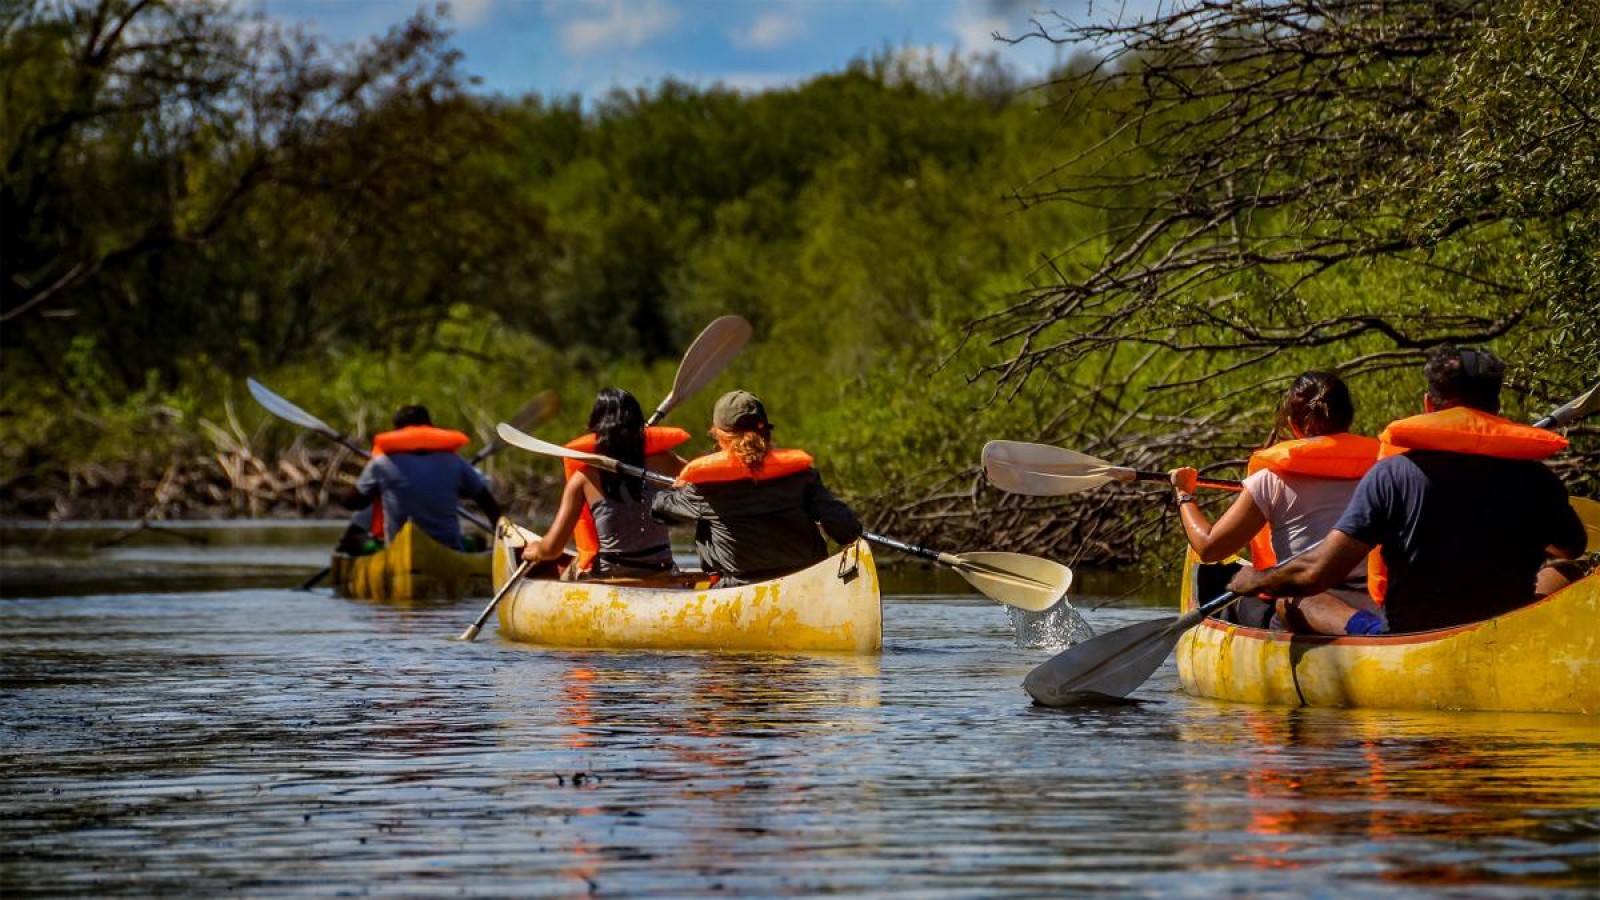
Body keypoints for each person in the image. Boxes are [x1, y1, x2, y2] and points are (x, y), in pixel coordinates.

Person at [1228, 346, 1585, 634]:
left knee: (1294, 601)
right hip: (1506, 623)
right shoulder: (1537, 478)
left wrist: (1258, 579)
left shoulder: (1391, 475)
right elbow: (1571, 547)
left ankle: (1370, 633)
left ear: (1429, 405)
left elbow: (1318, 572)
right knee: (1569, 570)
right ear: (1496, 407)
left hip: (1416, 634)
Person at [1170, 371, 1383, 634]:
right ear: (1349, 419)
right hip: (1373, 602)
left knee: (1237, 601)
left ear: (1293, 425)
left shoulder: (1270, 480)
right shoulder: (1384, 473)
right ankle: (1374, 632)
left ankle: (1365, 632)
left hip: (1307, 608)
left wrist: (1184, 494)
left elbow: (1209, 547)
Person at [650, 389, 862, 585]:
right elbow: (847, 530)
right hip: (806, 584)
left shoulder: (704, 487)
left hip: (737, 591)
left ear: (718, 435)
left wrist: (679, 487)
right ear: (767, 432)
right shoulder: (802, 476)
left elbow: (661, 511)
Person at [522, 388, 685, 580]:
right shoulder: (665, 462)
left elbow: (552, 549)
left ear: (596, 428)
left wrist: (535, 550)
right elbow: (702, 480)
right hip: (662, 572)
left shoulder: (583, 478)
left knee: (573, 569)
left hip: (612, 576)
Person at [339, 405, 501, 552]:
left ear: (396, 431)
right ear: (430, 428)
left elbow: (351, 503)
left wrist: (377, 490)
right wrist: (502, 537)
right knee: (478, 539)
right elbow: (489, 504)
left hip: (398, 550)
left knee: (351, 542)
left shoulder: (382, 463)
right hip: (448, 548)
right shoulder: (455, 462)